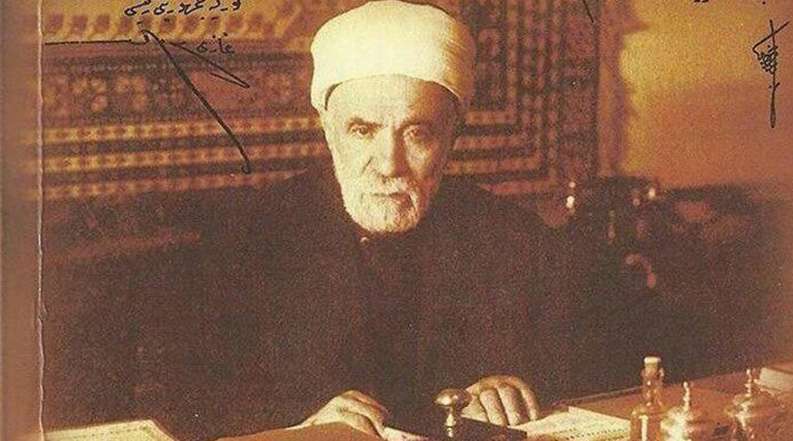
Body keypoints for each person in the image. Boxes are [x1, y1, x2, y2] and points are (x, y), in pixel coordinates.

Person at [42, 2, 572, 440]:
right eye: (363, 130)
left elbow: (581, 362)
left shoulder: (511, 236)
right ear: (327, 128)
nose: (389, 164)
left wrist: (512, 386)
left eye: (417, 133)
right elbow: (178, 396)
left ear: (453, 133)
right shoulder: (247, 239)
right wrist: (296, 426)